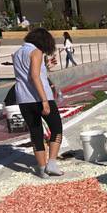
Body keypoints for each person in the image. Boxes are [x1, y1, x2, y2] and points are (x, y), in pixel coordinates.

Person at [12, 28, 63, 178]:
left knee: (36, 133)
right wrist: (45, 100)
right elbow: (35, 76)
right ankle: (51, 163)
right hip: (39, 97)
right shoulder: (36, 51)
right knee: (56, 128)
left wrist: (46, 67)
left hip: (23, 99)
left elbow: (28, 72)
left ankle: (42, 168)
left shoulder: (17, 53)